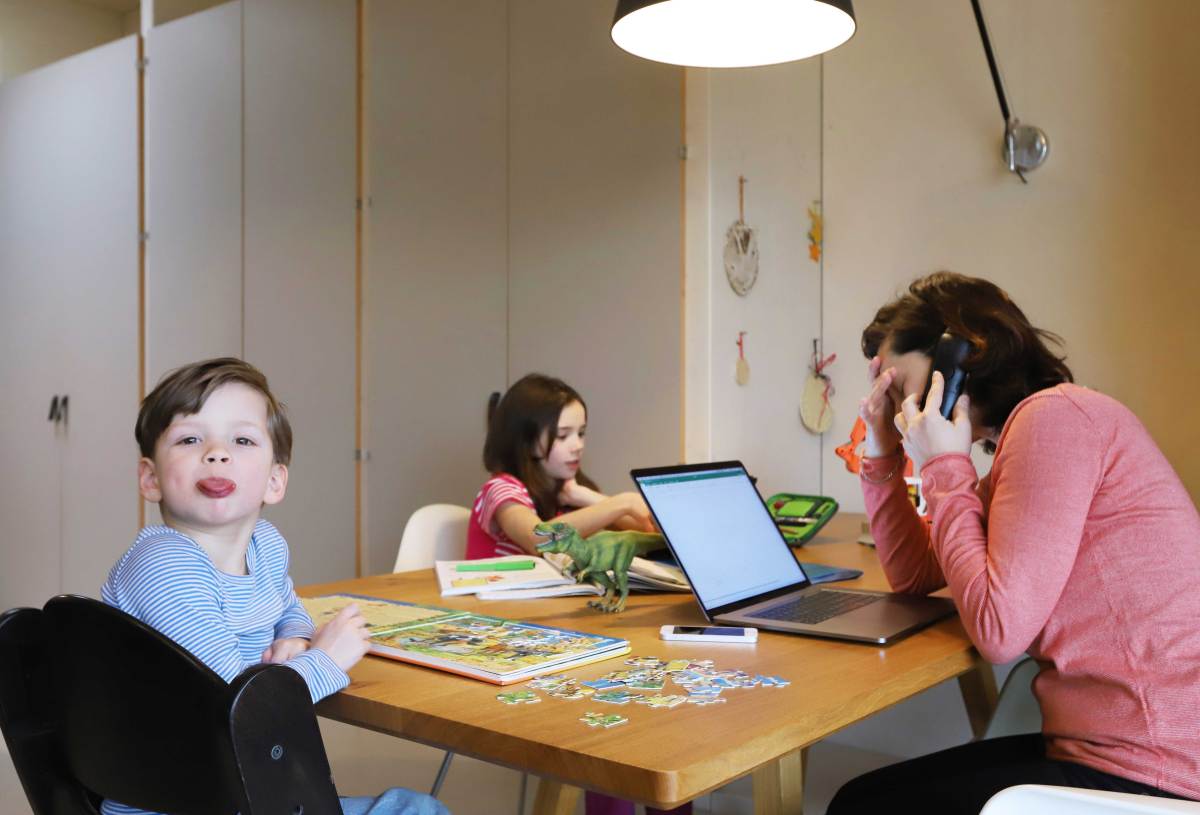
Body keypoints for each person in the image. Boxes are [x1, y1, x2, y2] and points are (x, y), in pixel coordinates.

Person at [826, 272, 1200, 812]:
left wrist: (942, 464)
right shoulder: (1030, 439)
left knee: (861, 806)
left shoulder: (1054, 420)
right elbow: (915, 574)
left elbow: (998, 632)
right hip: (1125, 749)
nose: (890, 399)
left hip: (1155, 770)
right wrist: (884, 448)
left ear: (956, 358)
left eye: (893, 380)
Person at [102, 358, 447, 815]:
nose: (217, 453)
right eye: (190, 439)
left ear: (274, 480)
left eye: (242, 440)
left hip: (241, 789)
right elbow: (236, 710)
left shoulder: (265, 546)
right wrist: (325, 660)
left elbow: (287, 604)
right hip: (182, 801)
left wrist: (294, 636)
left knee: (416, 808)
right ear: (151, 478)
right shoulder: (164, 566)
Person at [467, 372, 689, 815]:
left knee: (657, 719)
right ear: (528, 440)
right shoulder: (501, 491)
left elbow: (653, 530)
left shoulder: (567, 497)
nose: (577, 445)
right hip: (505, 644)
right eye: (563, 435)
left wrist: (586, 495)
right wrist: (617, 502)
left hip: (569, 636)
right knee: (614, 732)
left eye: (581, 433)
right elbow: (542, 538)